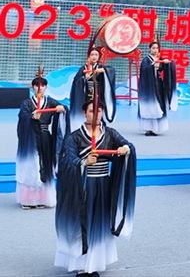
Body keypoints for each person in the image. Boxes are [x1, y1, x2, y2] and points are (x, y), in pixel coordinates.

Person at [55, 99, 136, 277]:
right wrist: (83, 162)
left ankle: (94, 262)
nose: (96, 114)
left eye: (99, 111)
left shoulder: (110, 134)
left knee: (99, 224)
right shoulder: (74, 137)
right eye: (92, 111)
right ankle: (82, 265)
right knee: (83, 223)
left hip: (103, 186)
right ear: (85, 113)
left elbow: (127, 145)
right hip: (82, 187)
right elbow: (67, 160)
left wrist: (125, 149)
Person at [16, 71, 69, 209]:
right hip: (30, 138)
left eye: (43, 85)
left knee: (45, 165)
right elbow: (22, 116)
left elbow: (64, 108)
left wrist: (62, 109)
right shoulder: (27, 103)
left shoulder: (50, 101)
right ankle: (28, 200)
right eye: (37, 85)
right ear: (33, 87)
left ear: (46, 87)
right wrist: (31, 117)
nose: (40, 88)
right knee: (31, 165)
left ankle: (42, 198)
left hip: (45, 137)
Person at [70, 47, 116, 130]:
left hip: (98, 95)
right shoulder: (83, 69)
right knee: (87, 113)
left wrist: (104, 71)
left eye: (96, 55)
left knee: (98, 113)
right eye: (92, 55)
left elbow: (111, 70)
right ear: (88, 57)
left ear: (99, 57)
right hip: (86, 96)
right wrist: (84, 79)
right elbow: (76, 82)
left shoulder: (101, 67)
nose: (94, 57)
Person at [137, 40, 177, 136]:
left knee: (159, 105)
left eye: (157, 48)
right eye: (153, 48)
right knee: (149, 106)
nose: (155, 50)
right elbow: (144, 70)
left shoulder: (160, 58)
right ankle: (148, 129)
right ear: (150, 49)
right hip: (148, 88)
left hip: (158, 85)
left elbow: (165, 66)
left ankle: (156, 128)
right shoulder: (146, 60)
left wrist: (167, 64)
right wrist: (153, 66)